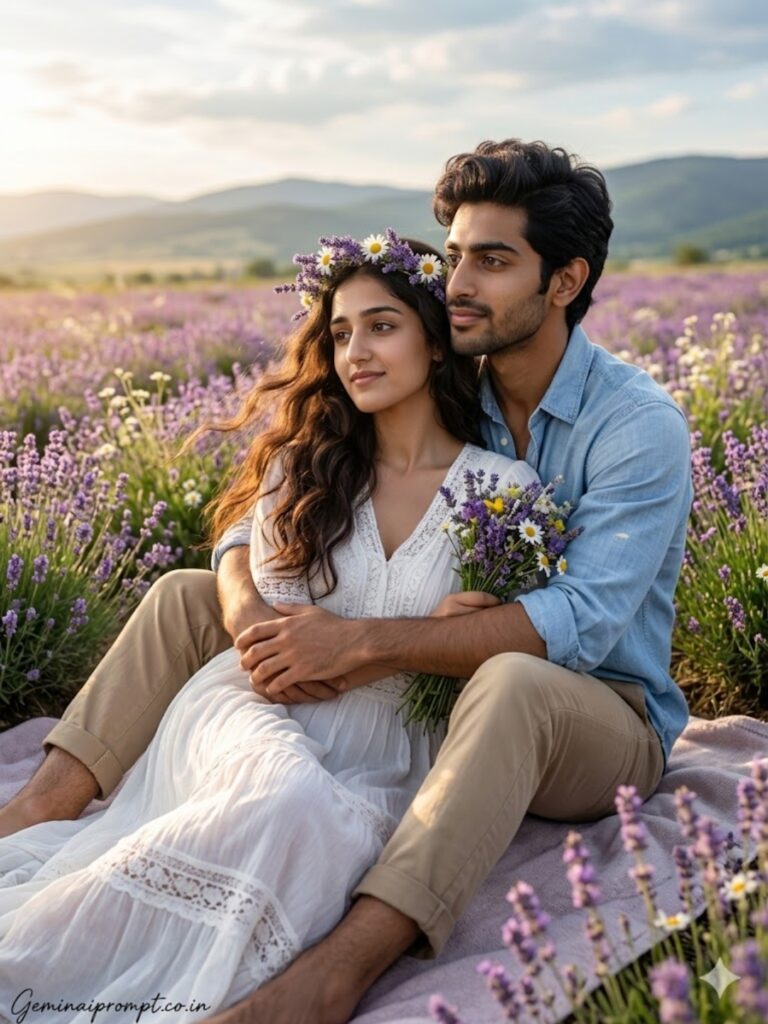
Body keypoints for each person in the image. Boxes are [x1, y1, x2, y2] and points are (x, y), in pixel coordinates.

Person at [0, 139, 693, 1024]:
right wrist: (252, 611)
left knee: (512, 678)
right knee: (184, 593)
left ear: (564, 282)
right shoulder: (453, 379)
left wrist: (368, 642)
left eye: (494, 260)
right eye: (453, 259)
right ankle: (41, 807)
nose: (460, 284)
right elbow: (273, 510)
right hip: (447, 687)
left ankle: (340, 970)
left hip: (599, 717)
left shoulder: (636, 425)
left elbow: (585, 622)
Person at [0, 234, 538, 1020]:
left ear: (434, 334)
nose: (355, 350)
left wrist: (427, 634)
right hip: (255, 704)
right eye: (342, 332)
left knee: (318, 822)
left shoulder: (502, 492)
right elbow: (247, 565)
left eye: (382, 326)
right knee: (282, 795)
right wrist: (252, 610)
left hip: (387, 750)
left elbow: (493, 643)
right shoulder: (310, 461)